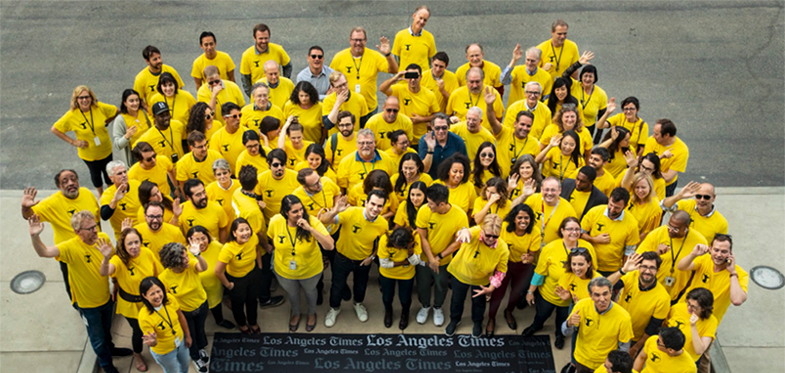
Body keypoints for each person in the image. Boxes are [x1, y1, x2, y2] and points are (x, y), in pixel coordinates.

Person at [28, 212, 133, 373]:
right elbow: (44, 252)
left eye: (95, 226)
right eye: (90, 228)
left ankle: (111, 349)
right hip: (87, 305)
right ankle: (106, 365)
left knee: (106, 328)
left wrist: (116, 284)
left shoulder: (103, 238)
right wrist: (35, 237)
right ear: (77, 231)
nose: (95, 231)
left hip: (106, 297)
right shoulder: (69, 247)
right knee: (97, 338)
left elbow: (113, 260)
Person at [21, 170, 100, 300]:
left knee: (95, 277)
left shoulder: (87, 193)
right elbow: (30, 216)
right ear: (59, 186)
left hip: (93, 248)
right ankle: (79, 306)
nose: (71, 183)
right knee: (74, 286)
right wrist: (25, 208)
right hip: (70, 254)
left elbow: (96, 220)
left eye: (73, 179)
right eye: (65, 181)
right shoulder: (52, 203)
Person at [523, 217, 596, 349]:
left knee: (563, 319)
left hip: (572, 299)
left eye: (577, 229)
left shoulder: (588, 247)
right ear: (562, 231)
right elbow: (540, 273)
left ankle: (559, 335)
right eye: (570, 229)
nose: (574, 232)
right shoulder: (550, 248)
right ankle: (535, 326)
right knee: (541, 314)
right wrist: (530, 292)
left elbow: (593, 273)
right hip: (548, 295)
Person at [320, 190, 389, 327]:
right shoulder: (351, 213)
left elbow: (381, 243)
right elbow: (324, 220)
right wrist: (335, 211)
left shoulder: (383, 224)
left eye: (379, 206)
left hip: (363, 262)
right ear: (366, 203)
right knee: (337, 286)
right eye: (373, 204)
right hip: (342, 259)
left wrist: (372, 256)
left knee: (360, 286)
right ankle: (334, 308)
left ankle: (358, 304)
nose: (375, 209)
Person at [99, 227, 161, 372]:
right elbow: (105, 271)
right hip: (131, 305)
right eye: (130, 244)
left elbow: (158, 274)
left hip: (150, 300)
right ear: (124, 246)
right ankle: (137, 354)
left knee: (154, 325)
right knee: (139, 331)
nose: (134, 247)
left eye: (136, 242)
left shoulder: (147, 253)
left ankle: (157, 347)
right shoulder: (119, 260)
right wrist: (106, 258)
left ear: (141, 242)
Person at [270, 195, 335, 332]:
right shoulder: (276, 221)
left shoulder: (312, 221)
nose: (300, 214)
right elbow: (272, 238)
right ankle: (296, 313)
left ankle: (311, 313)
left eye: (301, 209)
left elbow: (329, 246)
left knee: (311, 292)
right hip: (285, 271)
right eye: (294, 211)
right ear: (285, 213)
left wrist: (310, 229)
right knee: (293, 294)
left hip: (309, 270)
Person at [446, 214, 509, 338]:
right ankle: (454, 319)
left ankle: (477, 322)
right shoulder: (475, 232)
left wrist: (491, 288)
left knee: (479, 303)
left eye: (495, 236)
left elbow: (501, 271)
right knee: (457, 300)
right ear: (482, 230)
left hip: (481, 280)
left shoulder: (503, 249)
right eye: (488, 235)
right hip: (461, 274)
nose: (491, 239)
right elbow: (466, 232)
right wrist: (463, 231)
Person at [415, 184, 469, 326]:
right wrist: (431, 259)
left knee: (441, 284)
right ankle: (425, 306)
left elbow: (458, 242)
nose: (428, 205)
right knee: (423, 284)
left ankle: (437, 307)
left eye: (431, 204)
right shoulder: (424, 211)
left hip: (443, 261)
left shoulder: (459, 216)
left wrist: (438, 258)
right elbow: (422, 237)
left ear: (442, 204)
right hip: (424, 259)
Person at [52, 85, 119, 195]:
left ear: (91, 97)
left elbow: (116, 110)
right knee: (95, 174)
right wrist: (73, 142)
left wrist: (107, 122)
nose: (84, 100)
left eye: (86, 97)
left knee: (109, 173)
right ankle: (101, 194)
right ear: (76, 100)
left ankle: (111, 193)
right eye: (81, 98)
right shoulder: (72, 115)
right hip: (89, 154)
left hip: (105, 149)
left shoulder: (99, 107)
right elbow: (55, 129)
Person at [487, 204, 541, 334]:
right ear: (514, 219)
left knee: (516, 293)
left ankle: (509, 312)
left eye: (527, 218)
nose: (523, 221)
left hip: (522, 266)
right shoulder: (504, 228)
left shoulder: (535, 231)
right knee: (497, 294)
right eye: (520, 218)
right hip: (503, 265)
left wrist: (528, 259)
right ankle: (491, 318)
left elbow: (532, 256)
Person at [157, 242, 210, 372]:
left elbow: (203, 268)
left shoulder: (191, 264)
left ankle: (201, 347)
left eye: (187, 256)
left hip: (201, 305)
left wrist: (197, 255)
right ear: (174, 264)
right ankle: (195, 356)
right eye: (183, 259)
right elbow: (166, 299)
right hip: (185, 313)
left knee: (200, 329)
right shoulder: (164, 278)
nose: (187, 260)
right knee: (189, 335)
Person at [607, 252, 672, 358]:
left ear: (657, 271)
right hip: (614, 330)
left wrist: (635, 348)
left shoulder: (663, 298)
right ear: (638, 268)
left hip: (634, 339)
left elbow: (652, 328)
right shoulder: (631, 276)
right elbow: (605, 286)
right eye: (644, 267)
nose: (647, 271)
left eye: (652, 268)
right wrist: (622, 271)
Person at [564, 277, 634, 373]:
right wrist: (569, 323)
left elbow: (623, 348)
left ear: (611, 292)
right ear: (590, 296)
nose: (602, 299)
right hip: (582, 360)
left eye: (605, 294)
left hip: (605, 366)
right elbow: (565, 332)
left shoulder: (624, 317)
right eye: (597, 295)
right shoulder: (581, 306)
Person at [635, 210, 707, 302]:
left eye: (676, 229)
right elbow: (637, 259)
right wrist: (656, 254)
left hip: (679, 294)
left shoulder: (699, 241)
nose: (670, 230)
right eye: (669, 225)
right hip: (650, 289)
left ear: (686, 227)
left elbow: (699, 270)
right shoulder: (657, 234)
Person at [677, 235, 748, 324]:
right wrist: (693, 254)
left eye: (724, 251)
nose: (719, 255)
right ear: (710, 249)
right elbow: (681, 267)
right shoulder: (705, 259)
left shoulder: (740, 274)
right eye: (716, 250)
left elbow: (737, 300)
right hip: (683, 310)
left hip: (706, 322)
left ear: (730, 253)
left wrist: (732, 272)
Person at [329, 26, 398, 114]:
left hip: (369, 109)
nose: (358, 43)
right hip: (347, 109)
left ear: (365, 40)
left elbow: (394, 70)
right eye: (355, 40)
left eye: (361, 40)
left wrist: (388, 54)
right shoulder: (339, 57)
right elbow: (331, 80)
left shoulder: (374, 56)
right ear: (350, 40)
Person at [214, 218, 262, 334]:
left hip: (252, 274)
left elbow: (257, 250)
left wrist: (259, 267)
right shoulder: (228, 249)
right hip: (236, 279)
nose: (246, 233)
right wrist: (228, 285)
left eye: (247, 229)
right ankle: (242, 324)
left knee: (252, 300)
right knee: (238, 304)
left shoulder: (253, 237)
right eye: (241, 230)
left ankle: (253, 322)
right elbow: (218, 271)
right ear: (234, 233)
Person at [138, 276, 192, 373]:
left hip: (181, 341)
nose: (157, 296)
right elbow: (151, 343)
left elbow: (181, 317)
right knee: (171, 371)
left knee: (185, 363)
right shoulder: (144, 316)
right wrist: (152, 341)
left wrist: (187, 336)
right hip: (164, 351)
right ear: (145, 296)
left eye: (159, 291)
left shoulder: (170, 299)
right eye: (152, 294)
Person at [581, 188, 640, 275]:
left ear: (625, 206)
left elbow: (629, 252)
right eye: (611, 205)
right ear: (609, 199)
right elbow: (580, 234)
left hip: (612, 269)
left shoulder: (632, 224)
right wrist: (594, 240)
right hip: (589, 264)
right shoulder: (594, 212)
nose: (612, 209)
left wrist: (624, 272)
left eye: (617, 208)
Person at [186, 226, 236, 329]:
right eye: (196, 240)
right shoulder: (186, 253)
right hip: (197, 289)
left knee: (216, 305)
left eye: (203, 238)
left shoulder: (217, 246)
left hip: (214, 286)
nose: (201, 243)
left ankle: (220, 321)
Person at [380, 64, 439, 145]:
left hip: (420, 139)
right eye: (410, 76)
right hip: (400, 139)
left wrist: (422, 119)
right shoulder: (399, 89)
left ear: (420, 77)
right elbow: (382, 89)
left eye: (415, 76)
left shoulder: (429, 95)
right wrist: (395, 78)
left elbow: (436, 115)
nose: (413, 80)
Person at [484, 92, 541, 177]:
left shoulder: (534, 143)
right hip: (498, 180)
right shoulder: (504, 132)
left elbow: (535, 166)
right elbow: (492, 121)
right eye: (522, 124)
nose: (525, 128)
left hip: (519, 184)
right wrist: (489, 105)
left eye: (528, 126)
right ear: (515, 124)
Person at [378, 227, 422, 330]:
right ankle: (388, 312)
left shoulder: (415, 238)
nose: (397, 248)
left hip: (406, 274)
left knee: (405, 298)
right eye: (394, 246)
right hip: (387, 274)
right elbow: (384, 264)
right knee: (387, 297)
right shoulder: (384, 239)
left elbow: (416, 262)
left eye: (399, 247)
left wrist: (410, 251)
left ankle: (405, 314)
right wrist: (403, 262)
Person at [662, 181, 729, 242]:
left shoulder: (721, 223)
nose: (702, 200)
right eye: (698, 196)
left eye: (706, 197)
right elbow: (664, 206)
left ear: (713, 197)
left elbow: (719, 245)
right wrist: (679, 196)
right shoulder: (687, 205)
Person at [518, 176, 578, 245]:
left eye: (553, 190)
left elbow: (573, 234)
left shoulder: (568, 210)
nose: (549, 193)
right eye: (546, 189)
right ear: (541, 190)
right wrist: (524, 196)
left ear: (560, 191)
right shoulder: (533, 199)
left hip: (552, 251)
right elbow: (513, 211)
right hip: (529, 247)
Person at [561, 52, 607, 138]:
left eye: (590, 76)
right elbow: (564, 76)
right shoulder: (574, 85)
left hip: (588, 127)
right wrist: (578, 64)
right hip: (570, 124)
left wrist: (598, 135)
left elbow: (602, 116)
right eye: (585, 76)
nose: (587, 79)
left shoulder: (601, 94)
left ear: (595, 78)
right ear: (581, 77)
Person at [666, 288, 718, 363]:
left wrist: (693, 326)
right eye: (688, 303)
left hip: (685, 361)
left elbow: (699, 350)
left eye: (694, 307)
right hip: (666, 355)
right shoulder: (677, 308)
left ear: (703, 308)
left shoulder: (711, 322)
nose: (689, 308)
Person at [337, 128, 395, 192]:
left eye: (368, 143)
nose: (365, 146)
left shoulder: (386, 158)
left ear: (374, 143)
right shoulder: (346, 162)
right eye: (362, 143)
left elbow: (393, 182)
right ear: (356, 144)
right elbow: (341, 189)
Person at [241, 23, 293, 97]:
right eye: (260, 38)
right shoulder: (247, 55)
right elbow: (245, 80)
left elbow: (288, 66)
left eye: (266, 38)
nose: (264, 41)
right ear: (254, 38)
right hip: (259, 95)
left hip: (277, 92)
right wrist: (253, 95)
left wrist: (284, 81)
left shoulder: (278, 50)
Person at [642, 119, 689, 197]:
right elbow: (644, 162)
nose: (653, 136)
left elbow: (668, 177)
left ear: (666, 135)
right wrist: (661, 157)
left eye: (656, 134)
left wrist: (648, 169)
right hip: (647, 180)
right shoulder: (651, 140)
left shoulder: (682, 151)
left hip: (666, 187)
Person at [100, 161, 142, 240]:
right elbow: (104, 216)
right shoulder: (108, 194)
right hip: (124, 235)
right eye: (119, 173)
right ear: (111, 178)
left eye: (125, 172)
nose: (124, 175)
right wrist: (115, 200)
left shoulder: (137, 184)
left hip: (142, 230)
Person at [255, 149, 301, 220]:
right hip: (269, 222)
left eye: (282, 164)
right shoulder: (260, 179)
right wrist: (258, 203)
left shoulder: (296, 177)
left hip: (291, 221)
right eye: (275, 165)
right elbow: (255, 198)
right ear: (269, 165)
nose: (279, 168)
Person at [418, 114, 468, 178]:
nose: (441, 131)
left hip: (451, 181)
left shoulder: (458, 141)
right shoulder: (425, 140)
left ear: (449, 126)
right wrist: (430, 150)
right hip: (430, 180)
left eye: (444, 128)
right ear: (432, 127)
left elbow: (465, 165)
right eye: (437, 128)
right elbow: (424, 169)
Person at [112, 89, 152, 165]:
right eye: (131, 101)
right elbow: (118, 145)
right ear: (125, 103)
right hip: (136, 156)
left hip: (150, 151)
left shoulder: (142, 112)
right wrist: (127, 136)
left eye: (137, 100)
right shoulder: (120, 120)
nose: (135, 103)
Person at [392, 6, 436, 71]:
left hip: (422, 79)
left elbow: (432, 61)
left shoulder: (429, 37)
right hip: (405, 79)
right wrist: (396, 78)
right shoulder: (400, 36)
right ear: (414, 16)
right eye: (420, 18)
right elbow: (395, 61)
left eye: (425, 20)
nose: (422, 22)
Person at [626, 172, 663, 241]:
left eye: (643, 187)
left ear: (650, 187)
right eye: (637, 187)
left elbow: (647, 233)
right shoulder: (630, 197)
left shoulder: (655, 206)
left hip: (636, 241)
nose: (640, 190)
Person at [209, 102, 245, 172]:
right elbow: (215, 161)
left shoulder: (247, 133)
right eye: (234, 116)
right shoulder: (217, 137)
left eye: (240, 115)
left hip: (246, 175)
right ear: (225, 118)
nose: (238, 119)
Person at [205, 158, 240, 223]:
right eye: (219, 174)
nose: (222, 176)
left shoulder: (239, 185)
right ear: (215, 176)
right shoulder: (209, 190)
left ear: (230, 173)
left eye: (225, 173)